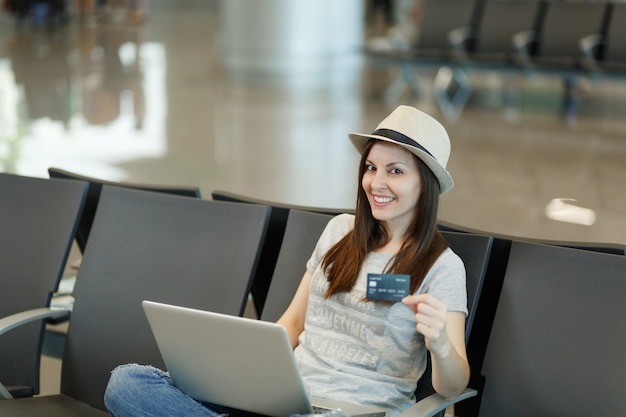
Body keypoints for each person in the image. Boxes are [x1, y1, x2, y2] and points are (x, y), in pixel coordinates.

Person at [104, 105, 469, 417]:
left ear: (427, 183)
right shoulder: (339, 231)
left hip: (356, 411)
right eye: (371, 168)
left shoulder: (443, 267)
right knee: (126, 383)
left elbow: (453, 387)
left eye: (395, 171)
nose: (376, 182)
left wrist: (440, 344)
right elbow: (293, 322)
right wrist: (240, 375)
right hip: (283, 401)